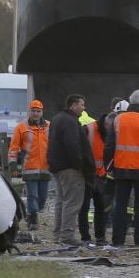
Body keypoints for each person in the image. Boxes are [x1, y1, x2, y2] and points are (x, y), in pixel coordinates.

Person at [105, 90, 139, 247]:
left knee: (120, 203)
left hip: (121, 168)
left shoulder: (118, 120)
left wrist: (108, 166)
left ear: (130, 103)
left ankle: (117, 239)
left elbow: (109, 146)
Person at [48, 94, 95, 245]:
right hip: (70, 168)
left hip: (57, 167)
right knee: (72, 202)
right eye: (82, 105)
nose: (84, 107)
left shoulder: (57, 119)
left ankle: (58, 235)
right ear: (73, 105)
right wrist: (80, 165)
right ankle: (67, 236)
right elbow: (72, 145)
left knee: (61, 201)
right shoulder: (70, 121)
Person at [8, 100, 51, 230]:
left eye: (38, 111)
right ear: (29, 111)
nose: (36, 113)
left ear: (42, 112)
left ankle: (31, 213)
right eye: (33, 111)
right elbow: (13, 148)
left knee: (43, 198)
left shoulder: (49, 126)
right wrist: (13, 166)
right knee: (33, 196)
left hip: (46, 168)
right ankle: (33, 220)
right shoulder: (21, 127)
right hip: (29, 167)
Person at [79, 111, 110, 243]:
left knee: (101, 207)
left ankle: (100, 237)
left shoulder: (112, 131)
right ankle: (85, 237)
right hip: (87, 175)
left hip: (102, 175)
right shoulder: (88, 129)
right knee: (84, 207)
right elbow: (77, 148)